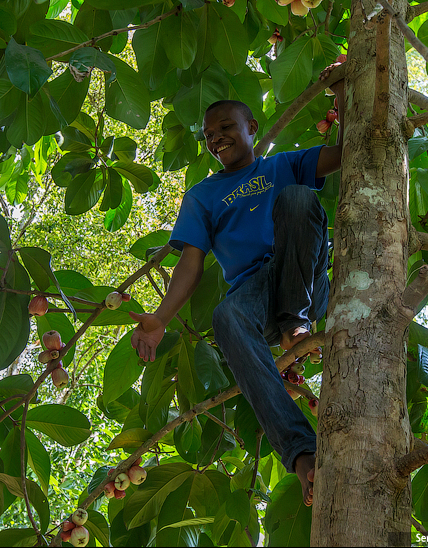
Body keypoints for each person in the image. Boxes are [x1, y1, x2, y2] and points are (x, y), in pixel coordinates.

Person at [130, 78, 344, 506]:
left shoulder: (280, 165)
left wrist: (343, 96)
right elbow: (191, 262)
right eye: (209, 135)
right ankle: (302, 453)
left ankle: (296, 321)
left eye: (225, 127)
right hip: (254, 297)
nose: (216, 139)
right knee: (224, 317)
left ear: (251, 126)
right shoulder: (202, 195)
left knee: (300, 198)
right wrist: (160, 319)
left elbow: (346, 152)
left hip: (303, 277)